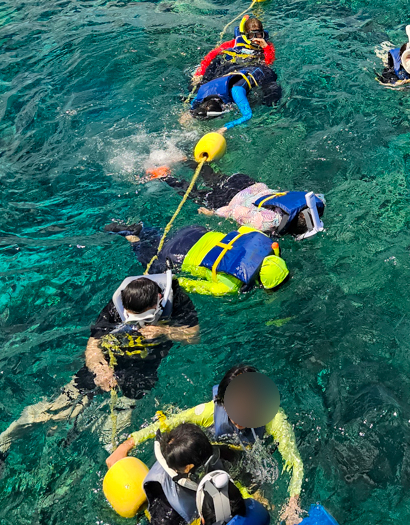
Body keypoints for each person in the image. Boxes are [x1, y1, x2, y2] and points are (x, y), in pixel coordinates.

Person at [0, 274, 199, 458]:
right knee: (60, 405)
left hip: (145, 365)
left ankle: (109, 451)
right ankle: (5, 440)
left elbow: (193, 336)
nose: (138, 326)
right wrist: (99, 369)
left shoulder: (177, 300)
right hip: (111, 356)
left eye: (145, 320)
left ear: (158, 299)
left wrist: (165, 331)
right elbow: (93, 343)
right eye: (131, 319)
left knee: (120, 421)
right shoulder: (117, 305)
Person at [107, 366, 305, 525]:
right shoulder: (211, 410)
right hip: (214, 452)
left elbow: (295, 463)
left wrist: (293, 502)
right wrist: (128, 443)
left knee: (263, 505)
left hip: (246, 459)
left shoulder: (274, 419)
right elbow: (171, 422)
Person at [140, 422, 268, 525]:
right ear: (188, 469)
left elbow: (248, 474)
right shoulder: (167, 511)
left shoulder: (212, 454)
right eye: (207, 465)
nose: (215, 463)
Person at [108, 221, 290, 295]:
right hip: (179, 254)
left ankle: (142, 228)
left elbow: (241, 230)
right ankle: (133, 240)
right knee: (153, 264)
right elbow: (186, 283)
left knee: (161, 238)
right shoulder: (230, 286)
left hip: (195, 232)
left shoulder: (263, 242)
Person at [148, 165, 326, 239]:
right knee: (193, 193)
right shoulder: (270, 222)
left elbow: (319, 197)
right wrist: (215, 213)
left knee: (210, 176)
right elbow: (239, 212)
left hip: (247, 184)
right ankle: (164, 176)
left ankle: (188, 160)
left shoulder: (308, 201)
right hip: (228, 200)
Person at [189, 64, 281, 130]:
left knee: (270, 102)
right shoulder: (201, 93)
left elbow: (248, 115)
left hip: (263, 72)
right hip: (239, 69)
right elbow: (193, 105)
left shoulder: (236, 91)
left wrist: (225, 127)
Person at [191, 17, 275, 85]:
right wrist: (199, 73)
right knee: (215, 63)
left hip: (250, 70)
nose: (255, 39)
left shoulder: (267, 46)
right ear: (245, 35)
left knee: (269, 75)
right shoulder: (233, 44)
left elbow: (268, 64)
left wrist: (266, 48)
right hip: (230, 66)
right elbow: (211, 55)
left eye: (259, 34)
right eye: (251, 35)